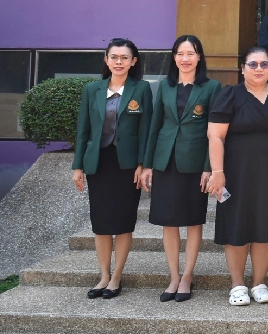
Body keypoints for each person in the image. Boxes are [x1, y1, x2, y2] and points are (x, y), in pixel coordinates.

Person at [205, 47, 268, 307]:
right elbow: (216, 137)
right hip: (235, 172)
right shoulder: (230, 95)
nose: (259, 69)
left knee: (265, 227)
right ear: (242, 68)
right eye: (253, 64)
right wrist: (218, 173)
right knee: (237, 225)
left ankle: (259, 282)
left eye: (264, 64)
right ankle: (237, 284)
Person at [141, 35, 222, 303]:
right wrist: (148, 164)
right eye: (180, 53)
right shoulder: (164, 86)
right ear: (174, 57)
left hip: (195, 163)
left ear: (199, 57)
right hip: (165, 161)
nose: (185, 58)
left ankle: (187, 276)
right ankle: (173, 277)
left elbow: (216, 132)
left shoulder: (212, 87)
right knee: (168, 221)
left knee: (193, 220)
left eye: (191, 53)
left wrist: (209, 167)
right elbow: (155, 126)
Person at [72, 38, 151, 300]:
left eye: (124, 58)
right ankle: (103, 275)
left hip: (127, 165)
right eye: (114, 57)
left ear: (133, 61)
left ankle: (117, 276)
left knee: (124, 222)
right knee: (101, 223)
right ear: (106, 60)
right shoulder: (91, 89)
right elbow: (83, 130)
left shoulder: (141, 89)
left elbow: (145, 130)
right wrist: (78, 166)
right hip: (99, 163)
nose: (119, 62)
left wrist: (143, 164)